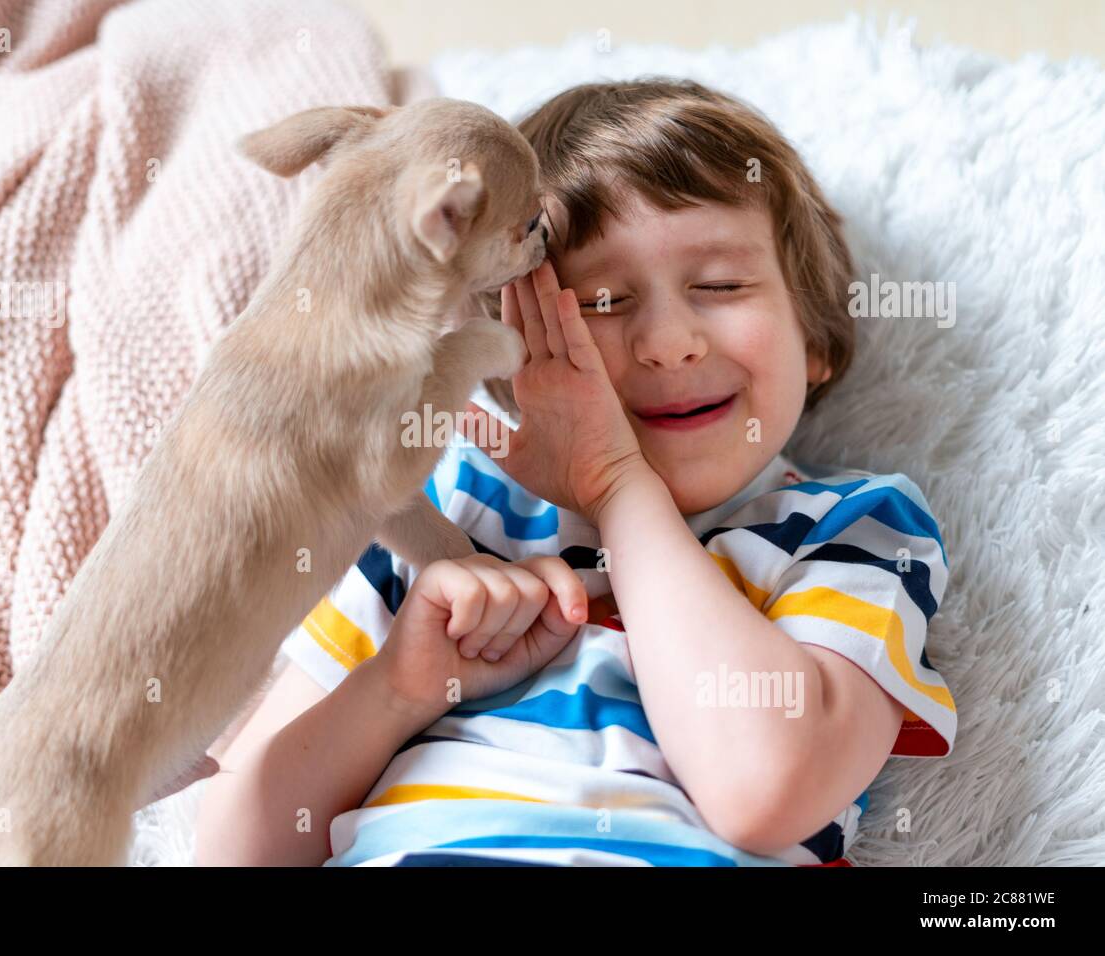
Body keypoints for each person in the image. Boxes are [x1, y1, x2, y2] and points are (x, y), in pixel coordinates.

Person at [195, 78, 957, 867]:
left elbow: (764, 793)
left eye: (721, 286)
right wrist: (400, 689)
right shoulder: (443, 512)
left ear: (818, 340)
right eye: (597, 303)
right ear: (515, 351)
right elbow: (234, 849)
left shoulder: (853, 527)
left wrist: (620, 490)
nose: (667, 341)